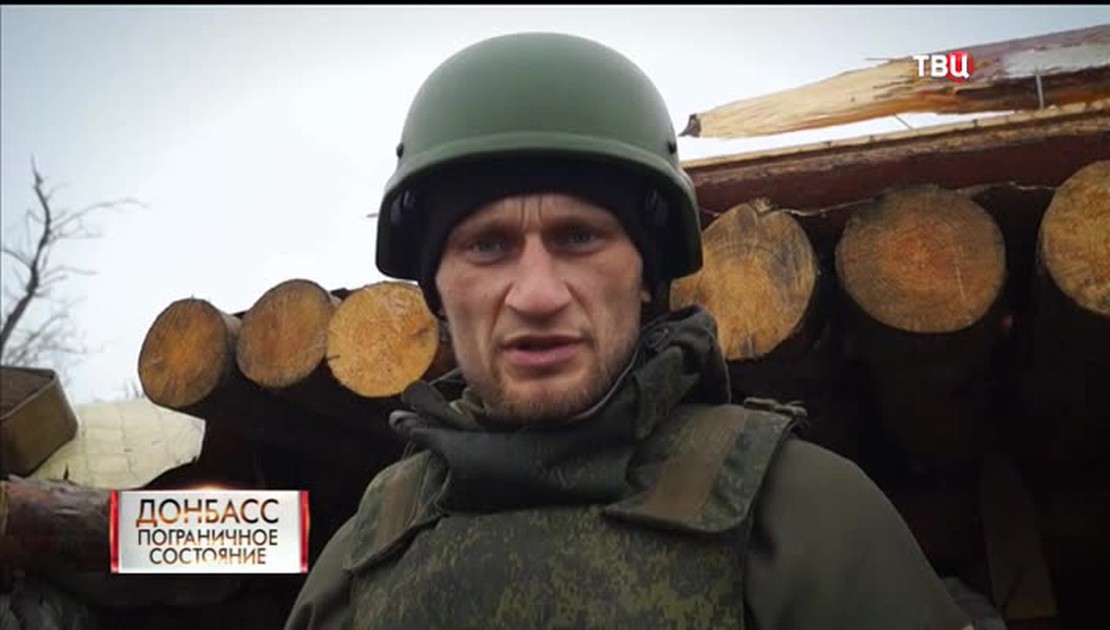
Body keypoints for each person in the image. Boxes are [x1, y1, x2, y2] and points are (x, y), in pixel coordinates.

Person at [285, 32, 972, 630]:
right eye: (487, 246)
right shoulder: (359, 561)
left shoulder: (803, 516)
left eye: (579, 237)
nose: (537, 294)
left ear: (647, 273)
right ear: (437, 288)